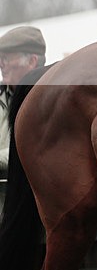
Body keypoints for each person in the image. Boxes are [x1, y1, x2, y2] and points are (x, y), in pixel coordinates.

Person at [0, 27, 46, 175]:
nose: (1, 64)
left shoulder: (49, 99)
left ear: (32, 61)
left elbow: (35, 148)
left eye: (6, 58)